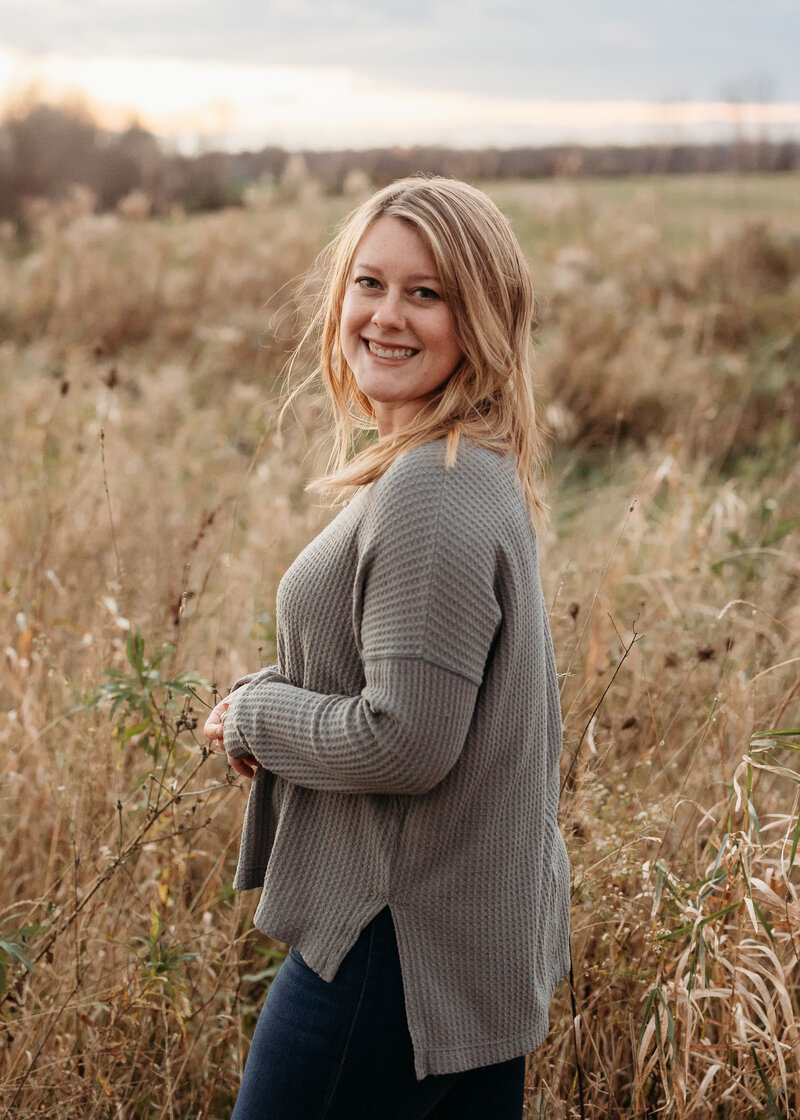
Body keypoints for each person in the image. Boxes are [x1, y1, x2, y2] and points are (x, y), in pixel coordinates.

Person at [203, 176, 571, 1120]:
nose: (386, 315)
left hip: (392, 955)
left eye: (427, 292)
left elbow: (404, 741)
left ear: (481, 317)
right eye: (370, 283)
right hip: (459, 952)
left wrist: (256, 713)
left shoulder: (434, 490)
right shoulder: (467, 467)